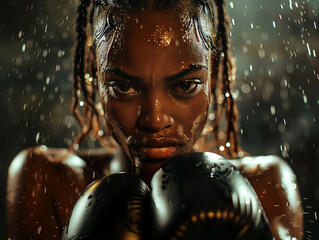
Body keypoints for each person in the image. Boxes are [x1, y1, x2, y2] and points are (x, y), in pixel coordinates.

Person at [6, 0, 303, 239]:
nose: (154, 119)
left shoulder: (263, 186)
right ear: (95, 76)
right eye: (123, 87)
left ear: (213, 77)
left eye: (185, 85)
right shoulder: (48, 182)